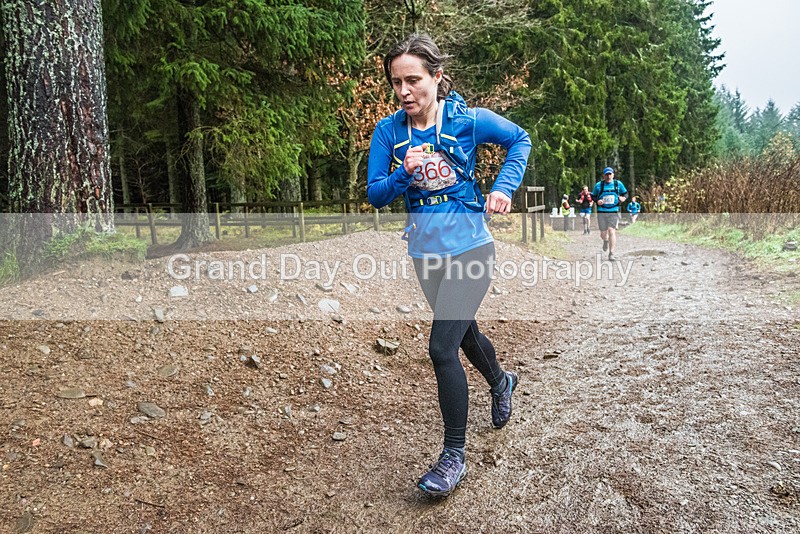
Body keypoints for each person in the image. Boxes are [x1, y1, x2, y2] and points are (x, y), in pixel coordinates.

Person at [367, 33, 531, 497]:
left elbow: (520, 139)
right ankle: (502, 382)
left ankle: (453, 456)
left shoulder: (466, 120)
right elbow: (375, 194)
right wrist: (403, 173)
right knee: (463, 333)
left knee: (442, 348)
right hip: (425, 254)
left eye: (413, 80)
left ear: (437, 77)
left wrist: (503, 188)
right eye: (396, 83)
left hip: (471, 248)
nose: (404, 92)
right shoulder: (389, 132)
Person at [591, 167, 628, 261]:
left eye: (610, 174)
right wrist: (597, 201)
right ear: (604, 176)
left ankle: (611, 253)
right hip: (602, 211)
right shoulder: (599, 185)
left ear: (613, 175)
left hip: (613, 211)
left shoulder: (618, 184)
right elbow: (593, 196)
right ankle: (605, 240)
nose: (608, 176)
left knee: (611, 231)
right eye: (606, 175)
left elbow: (626, 193)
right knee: (603, 234)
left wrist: (623, 198)